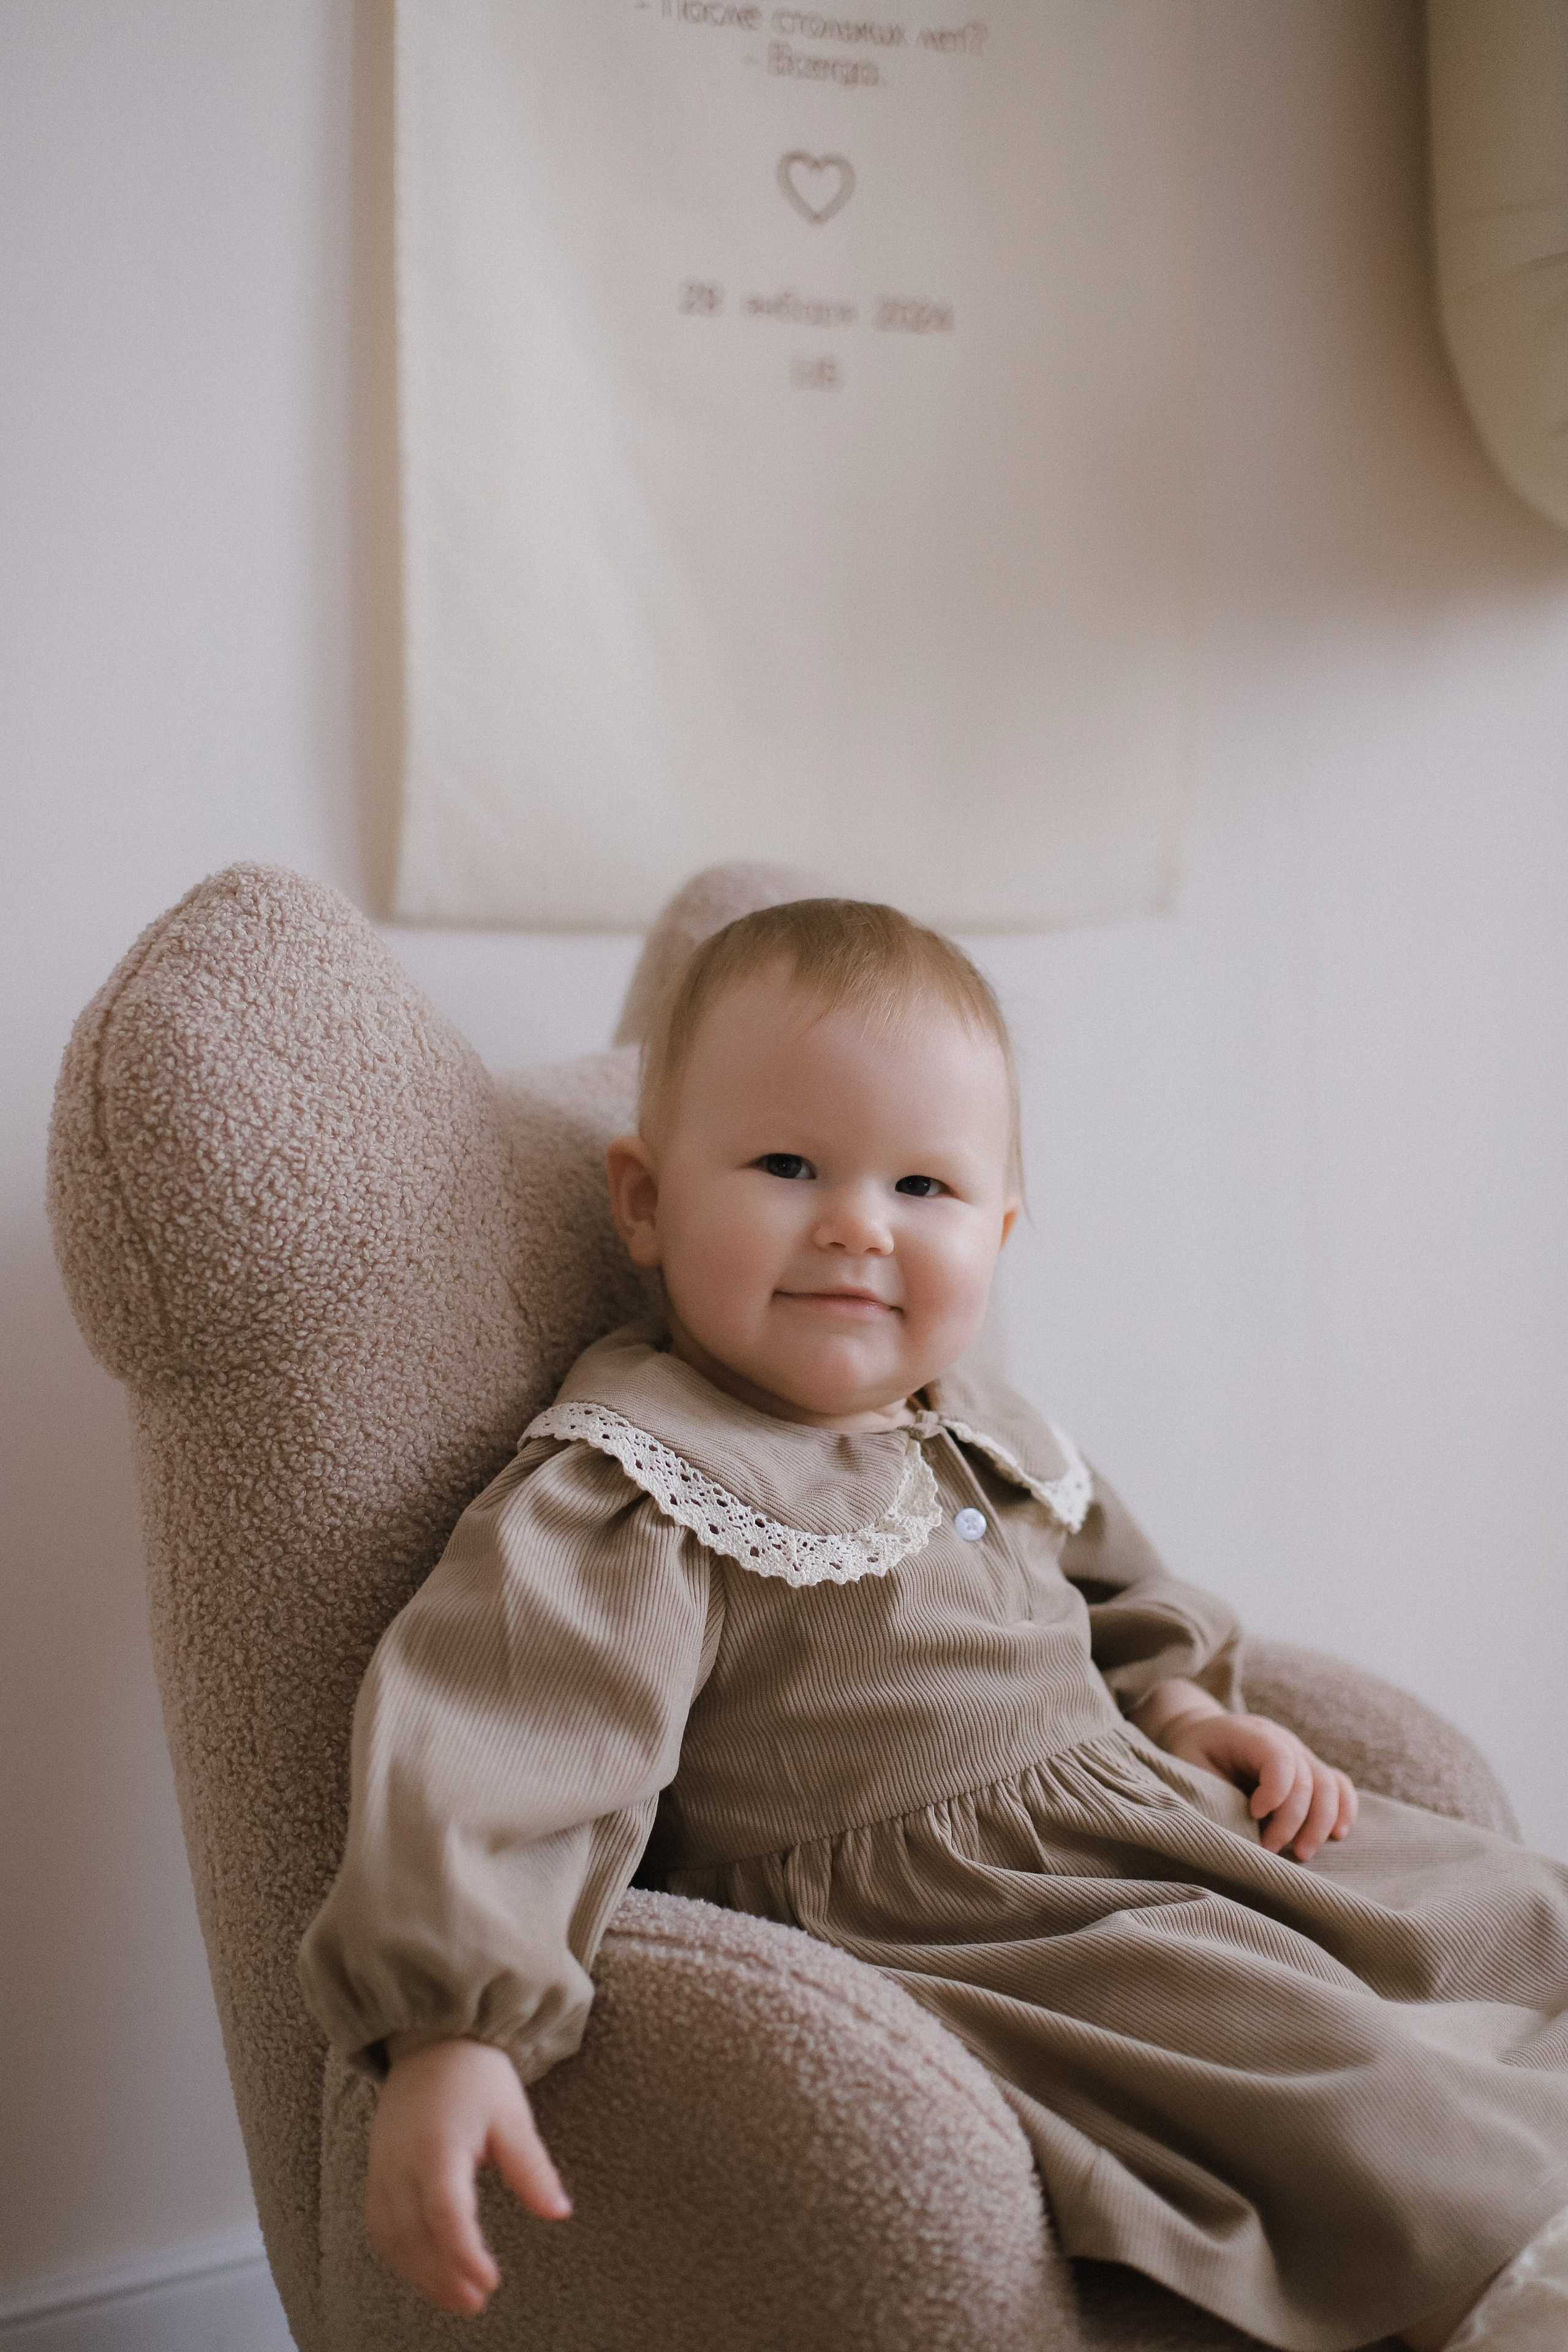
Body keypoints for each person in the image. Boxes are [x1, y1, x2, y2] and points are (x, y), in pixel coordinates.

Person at [300, 899, 1568, 2351]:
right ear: (643, 1201)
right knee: (1327, 2073)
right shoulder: (638, 1484)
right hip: (986, 1926)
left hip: (1153, 1830)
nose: (855, 1222)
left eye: (924, 1187)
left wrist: (1189, 1709)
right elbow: (507, 1743)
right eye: (787, 1166)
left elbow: (1122, 1598)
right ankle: (1508, 2283)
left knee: (1493, 1914)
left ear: (998, 1231)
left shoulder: (982, 1424)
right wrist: (454, 2025)